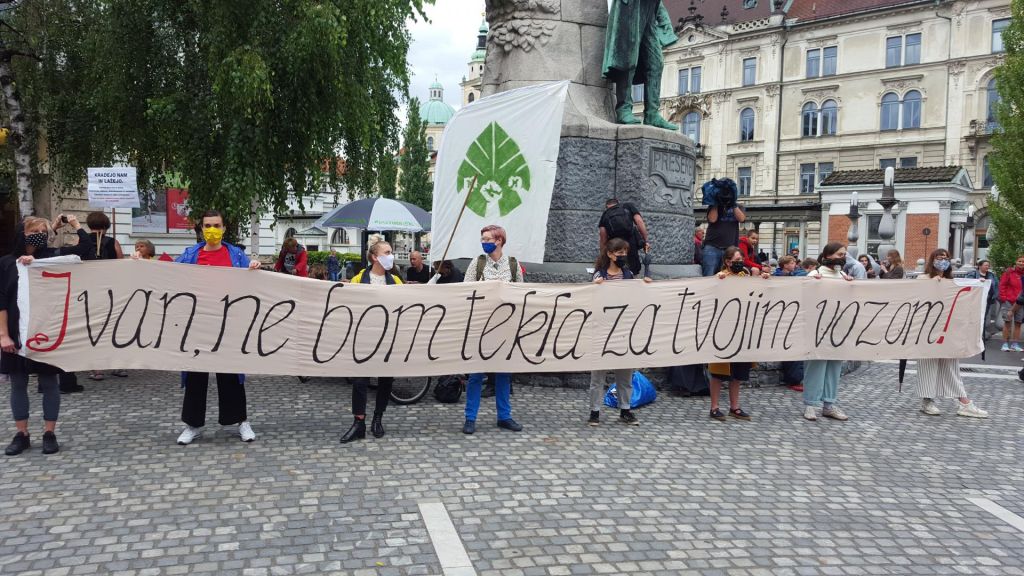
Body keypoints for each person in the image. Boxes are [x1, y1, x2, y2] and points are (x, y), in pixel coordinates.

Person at [2, 215, 95, 455]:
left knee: (49, 382)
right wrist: (3, 335)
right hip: (16, 332)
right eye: (35, 230)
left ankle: (49, 432)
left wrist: (74, 225)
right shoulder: (6, 263)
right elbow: (1, 301)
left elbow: (86, 250)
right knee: (18, 384)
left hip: (46, 331)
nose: (40, 234)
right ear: (22, 232)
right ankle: (22, 434)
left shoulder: (53, 257)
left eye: (44, 230)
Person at [173, 210, 262, 445]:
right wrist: (141, 265)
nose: (212, 229)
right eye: (207, 225)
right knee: (195, 376)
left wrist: (254, 267)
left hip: (228, 324)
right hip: (198, 324)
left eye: (216, 225)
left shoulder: (236, 255)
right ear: (201, 229)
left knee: (231, 374)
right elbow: (167, 276)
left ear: (223, 228)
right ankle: (192, 425)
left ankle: (241, 420)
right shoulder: (191, 254)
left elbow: (252, 282)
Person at [461, 224, 524, 434]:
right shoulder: (477, 263)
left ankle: (504, 416)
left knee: (504, 374)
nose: (484, 242)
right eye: (483, 239)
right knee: (476, 374)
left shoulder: (513, 265)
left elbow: (522, 293)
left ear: (499, 240)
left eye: (488, 239)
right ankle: (470, 417)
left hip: (505, 326)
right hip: (480, 325)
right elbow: (465, 290)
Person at [340, 240, 404, 443]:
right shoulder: (360, 278)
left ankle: (378, 417)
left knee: (386, 379)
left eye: (391, 252)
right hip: (364, 337)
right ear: (375, 257)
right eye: (387, 252)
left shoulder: (395, 280)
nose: (391, 256)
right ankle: (359, 422)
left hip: (389, 337)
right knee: (360, 380)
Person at [915, 249, 989, 418]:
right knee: (928, 365)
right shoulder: (923, 279)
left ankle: (963, 401)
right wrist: (933, 284)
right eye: (939, 258)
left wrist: (979, 284)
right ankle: (928, 401)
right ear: (932, 260)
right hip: (927, 329)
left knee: (951, 365)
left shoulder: (952, 280)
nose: (942, 261)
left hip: (947, 330)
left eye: (945, 258)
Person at [587, 238, 652, 427]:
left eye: (625, 252)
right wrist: (594, 288)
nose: (622, 255)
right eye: (619, 252)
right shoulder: (599, 275)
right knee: (597, 376)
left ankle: (625, 409)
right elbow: (591, 300)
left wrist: (646, 285)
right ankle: (595, 412)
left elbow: (637, 298)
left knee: (625, 375)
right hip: (602, 330)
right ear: (609, 254)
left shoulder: (628, 275)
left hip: (623, 331)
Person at [706, 246, 769, 422]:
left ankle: (735, 407)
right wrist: (718, 282)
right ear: (727, 262)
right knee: (718, 371)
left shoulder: (746, 277)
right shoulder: (719, 277)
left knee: (739, 372)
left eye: (741, 260)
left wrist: (763, 280)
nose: (739, 264)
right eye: (735, 261)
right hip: (723, 331)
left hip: (742, 330)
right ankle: (715, 407)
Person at [803, 242, 853, 422]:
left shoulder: (843, 275)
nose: (843, 257)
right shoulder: (815, 274)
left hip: (837, 327)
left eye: (844, 254)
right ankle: (810, 404)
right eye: (840, 254)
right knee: (816, 365)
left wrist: (850, 286)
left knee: (834, 367)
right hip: (817, 328)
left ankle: (829, 404)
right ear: (829, 255)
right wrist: (811, 285)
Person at [84, 211, 125, 380]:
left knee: (92, 328)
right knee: (113, 327)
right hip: (111, 290)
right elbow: (122, 264)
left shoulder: (82, 240)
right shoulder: (113, 242)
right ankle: (117, 365)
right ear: (107, 225)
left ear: (89, 225)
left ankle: (97, 368)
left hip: (89, 290)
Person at [701, 184, 746, 277]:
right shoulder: (714, 205)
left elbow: (741, 219)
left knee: (730, 275)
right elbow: (712, 219)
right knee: (708, 275)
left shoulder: (738, 206)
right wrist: (716, 202)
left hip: (730, 249)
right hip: (712, 246)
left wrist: (732, 203)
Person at [598, 197, 650, 276]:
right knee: (633, 268)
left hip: (616, 245)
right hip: (631, 242)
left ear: (607, 206)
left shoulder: (605, 214)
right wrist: (646, 240)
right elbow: (639, 222)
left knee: (618, 267)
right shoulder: (627, 206)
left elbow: (603, 237)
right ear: (618, 203)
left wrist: (603, 253)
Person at [997, 255, 1024, 352]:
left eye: (1023, 262)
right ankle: (1004, 344)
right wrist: (1004, 298)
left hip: (1020, 303)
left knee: (1018, 323)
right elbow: (1002, 285)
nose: (1021, 263)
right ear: (1016, 262)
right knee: (1007, 322)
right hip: (1009, 301)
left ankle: (1015, 344)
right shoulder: (1009, 272)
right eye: (1020, 261)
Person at [967, 260, 999, 337]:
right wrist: (978, 281)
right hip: (975, 300)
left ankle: (981, 335)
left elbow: (997, 285)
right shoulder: (972, 274)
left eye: (988, 265)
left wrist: (995, 296)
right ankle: (972, 335)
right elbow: (967, 283)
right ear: (980, 266)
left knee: (984, 317)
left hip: (987, 300)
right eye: (985, 265)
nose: (987, 267)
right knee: (973, 317)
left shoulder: (991, 275)